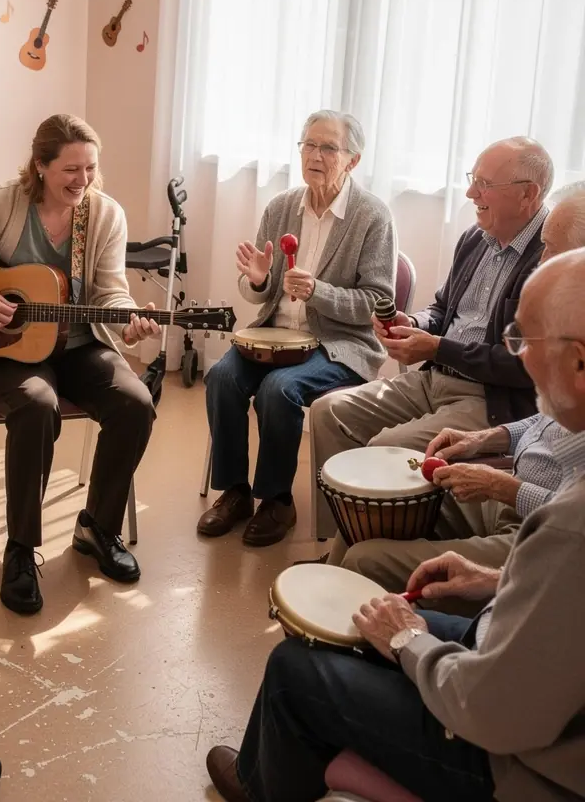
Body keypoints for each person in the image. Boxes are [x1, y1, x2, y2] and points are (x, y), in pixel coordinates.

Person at [206, 247, 585, 802]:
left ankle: (262, 786)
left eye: (524, 342)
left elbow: (492, 714)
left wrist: (408, 639)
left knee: (296, 667)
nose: (520, 357)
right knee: (359, 623)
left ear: (578, 362)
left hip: (516, 766)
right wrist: (491, 582)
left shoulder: (565, 528)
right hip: (521, 675)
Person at [0, 114, 160, 615]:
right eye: (70, 169)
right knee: (37, 405)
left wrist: (129, 324)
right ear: (39, 166)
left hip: (78, 344)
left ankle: (97, 529)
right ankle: (21, 550)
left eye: (91, 169)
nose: (82, 180)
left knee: (135, 403)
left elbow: (111, 293)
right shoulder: (0, 203)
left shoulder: (104, 216)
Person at [331, 184, 585, 598]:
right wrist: (485, 439)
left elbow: (572, 521)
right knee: (380, 502)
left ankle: (353, 621)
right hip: (507, 474)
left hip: (533, 524)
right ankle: (330, 581)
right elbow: (546, 420)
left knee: (367, 549)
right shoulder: (475, 240)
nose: (541, 261)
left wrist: (501, 485)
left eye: (552, 250)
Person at [309, 136, 553, 538]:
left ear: (528, 195)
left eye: (484, 184)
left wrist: (437, 346)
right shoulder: (476, 238)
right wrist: (416, 324)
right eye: (473, 178)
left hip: (488, 398)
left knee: (384, 448)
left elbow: (520, 364)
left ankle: (378, 550)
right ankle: (342, 535)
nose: (472, 192)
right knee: (328, 411)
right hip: (434, 376)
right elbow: (442, 308)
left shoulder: (549, 258)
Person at [199, 111, 397, 546]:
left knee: (277, 390)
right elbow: (260, 293)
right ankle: (234, 492)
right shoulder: (281, 207)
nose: (316, 155)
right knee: (222, 377)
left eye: (329, 147)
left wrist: (319, 292)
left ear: (353, 160)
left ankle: (277, 500)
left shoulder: (372, 217)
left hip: (339, 344)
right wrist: (256, 280)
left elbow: (377, 306)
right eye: (309, 145)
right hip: (274, 337)